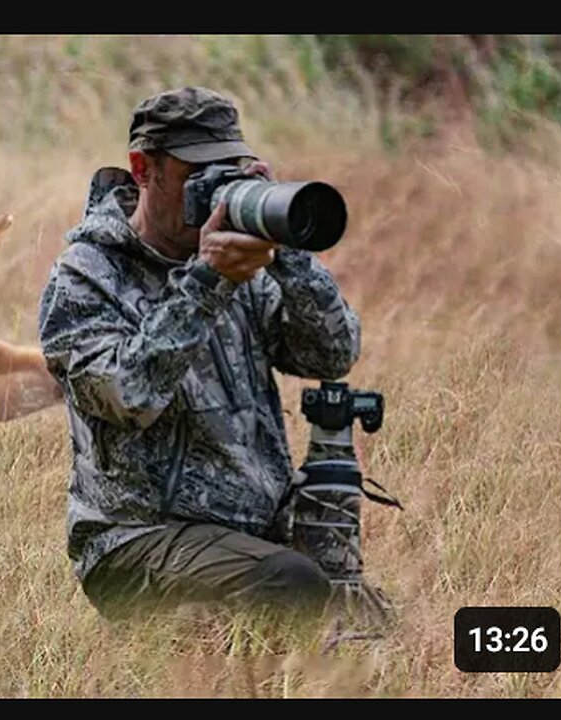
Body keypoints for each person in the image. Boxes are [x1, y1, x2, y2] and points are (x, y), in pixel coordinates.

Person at [37, 87, 362, 620]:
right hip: (136, 541)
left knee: (361, 616)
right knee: (292, 584)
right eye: (197, 177)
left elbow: (333, 353)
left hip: (249, 535)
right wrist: (209, 279)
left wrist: (287, 254)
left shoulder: (241, 265)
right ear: (144, 169)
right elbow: (128, 396)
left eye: (227, 175)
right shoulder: (86, 275)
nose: (214, 195)